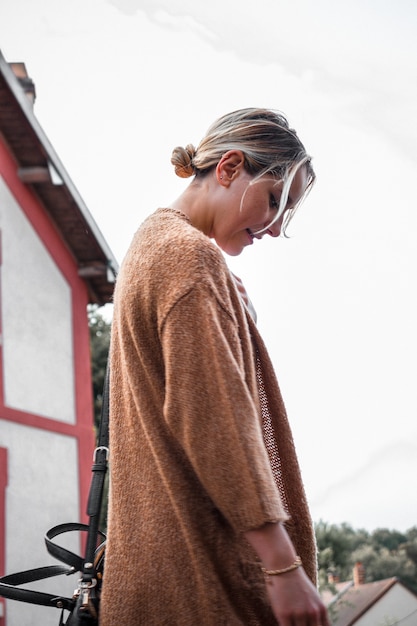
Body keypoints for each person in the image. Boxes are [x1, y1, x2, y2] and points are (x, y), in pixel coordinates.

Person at [100, 108, 329, 625]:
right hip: (204, 585)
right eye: (274, 200)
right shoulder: (188, 259)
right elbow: (213, 420)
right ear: (228, 167)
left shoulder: (154, 244)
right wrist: (282, 566)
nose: (274, 227)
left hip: (158, 578)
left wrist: (233, 316)